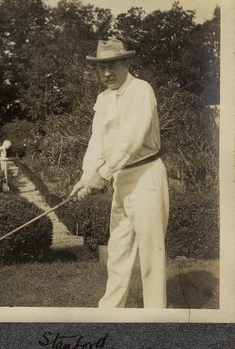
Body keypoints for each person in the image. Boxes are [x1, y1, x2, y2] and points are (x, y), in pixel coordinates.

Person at [71, 38, 169, 308]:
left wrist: (101, 175)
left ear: (127, 62)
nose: (106, 74)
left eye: (112, 65)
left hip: (147, 175)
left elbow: (132, 139)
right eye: (101, 68)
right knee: (118, 250)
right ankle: (110, 313)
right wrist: (86, 176)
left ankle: (155, 317)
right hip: (122, 178)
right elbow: (97, 142)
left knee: (151, 251)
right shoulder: (103, 99)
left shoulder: (141, 90)